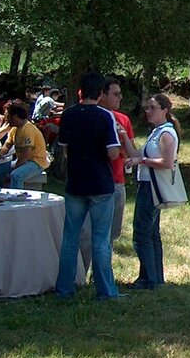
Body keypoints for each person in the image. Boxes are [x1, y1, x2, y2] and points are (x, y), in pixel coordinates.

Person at [54, 72, 122, 300]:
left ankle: (64, 289)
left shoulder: (69, 115)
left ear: (80, 92)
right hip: (101, 184)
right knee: (101, 241)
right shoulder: (105, 116)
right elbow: (113, 152)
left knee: (70, 238)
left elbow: (63, 147)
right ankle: (106, 291)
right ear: (101, 94)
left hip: (76, 182)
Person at [126, 93, 181, 290]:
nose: (147, 111)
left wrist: (141, 161)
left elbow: (167, 163)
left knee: (142, 233)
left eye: (152, 108)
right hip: (148, 185)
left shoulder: (166, 133)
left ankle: (148, 279)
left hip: (152, 187)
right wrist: (124, 136)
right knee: (151, 234)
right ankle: (155, 277)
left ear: (164, 111)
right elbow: (135, 155)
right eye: (147, 108)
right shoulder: (156, 132)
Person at [98, 76, 137, 241]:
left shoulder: (123, 120)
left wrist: (122, 139)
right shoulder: (92, 117)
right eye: (116, 94)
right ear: (102, 95)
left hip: (116, 181)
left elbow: (131, 154)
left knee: (112, 234)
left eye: (120, 94)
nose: (120, 97)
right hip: (95, 182)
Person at [0, 100, 47, 189]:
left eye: (8, 117)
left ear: (15, 117)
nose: (6, 119)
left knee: (15, 176)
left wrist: (9, 174)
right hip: (21, 161)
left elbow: (25, 156)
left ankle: (16, 200)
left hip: (35, 163)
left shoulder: (27, 129)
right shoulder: (15, 129)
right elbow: (7, 145)